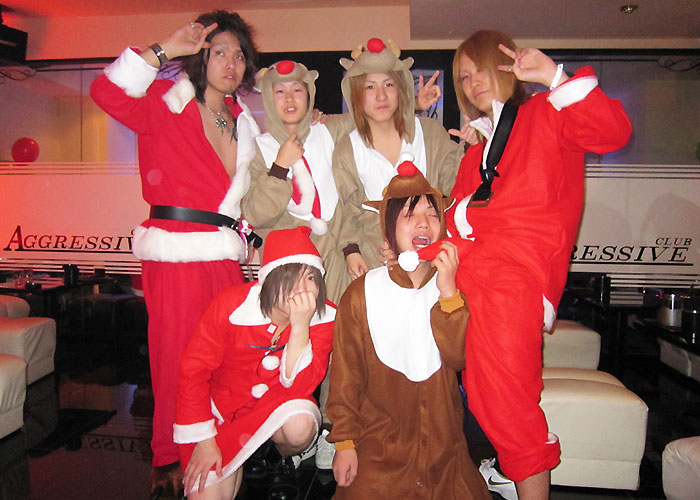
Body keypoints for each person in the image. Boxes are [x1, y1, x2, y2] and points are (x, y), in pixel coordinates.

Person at [446, 30, 632, 499]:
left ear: (506, 68)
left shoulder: (547, 111)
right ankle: (508, 470)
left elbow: (613, 133)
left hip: (516, 276)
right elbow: (455, 219)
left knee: (508, 399)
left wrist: (554, 76)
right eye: (463, 78)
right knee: (483, 396)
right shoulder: (476, 152)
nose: (472, 83)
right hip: (473, 278)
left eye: (480, 70)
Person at [90, 11, 261, 495]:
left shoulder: (242, 120)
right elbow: (105, 92)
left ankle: (215, 440)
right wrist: (164, 47)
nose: (230, 62)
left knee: (224, 353)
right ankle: (170, 457)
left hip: (224, 254)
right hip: (176, 250)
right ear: (200, 56)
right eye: (219, 51)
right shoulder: (170, 103)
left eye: (238, 54)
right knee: (178, 356)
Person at [326, 162, 491, 500]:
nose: (423, 223)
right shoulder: (361, 294)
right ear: (389, 228)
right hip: (379, 450)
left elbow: (459, 358)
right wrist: (344, 443)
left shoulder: (455, 286)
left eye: (432, 214)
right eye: (409, 215)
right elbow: (346, 376)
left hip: (446, 454)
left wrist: (449, 294)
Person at [174, 226, 335, 499]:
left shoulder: (323, 316)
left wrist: (300, 327)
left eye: (310, 277)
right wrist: (204, 439)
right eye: (290, 278)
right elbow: (194, 372)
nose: (303, 289)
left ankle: (274, 457)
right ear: (269, 281)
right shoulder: (230, 306)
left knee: (300, 428)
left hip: (277, 405)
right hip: (222, 412)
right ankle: (247, 454)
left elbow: (300, 388)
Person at [332, 37, 462, 280]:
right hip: (376, 261)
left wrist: (472, 147)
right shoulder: (347, 149)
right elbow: (349, 207)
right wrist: (351, 250)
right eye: (370, 87)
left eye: (389, 84)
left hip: (433, 261)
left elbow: (456, 186)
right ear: (356, 94)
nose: (381, 96)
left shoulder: (430, 133)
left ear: (401, 89)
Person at [241, 60, 350, 304]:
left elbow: (373, 121)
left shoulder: (330, 129)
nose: (289, 98)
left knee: (339, 323)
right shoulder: (256, 149)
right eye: (280, 91)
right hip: (288, 267)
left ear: (309, 94)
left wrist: (414, 104)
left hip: (337, 260)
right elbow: (255, 215)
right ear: (268, 97)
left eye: (297, 90)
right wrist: (280, 167)